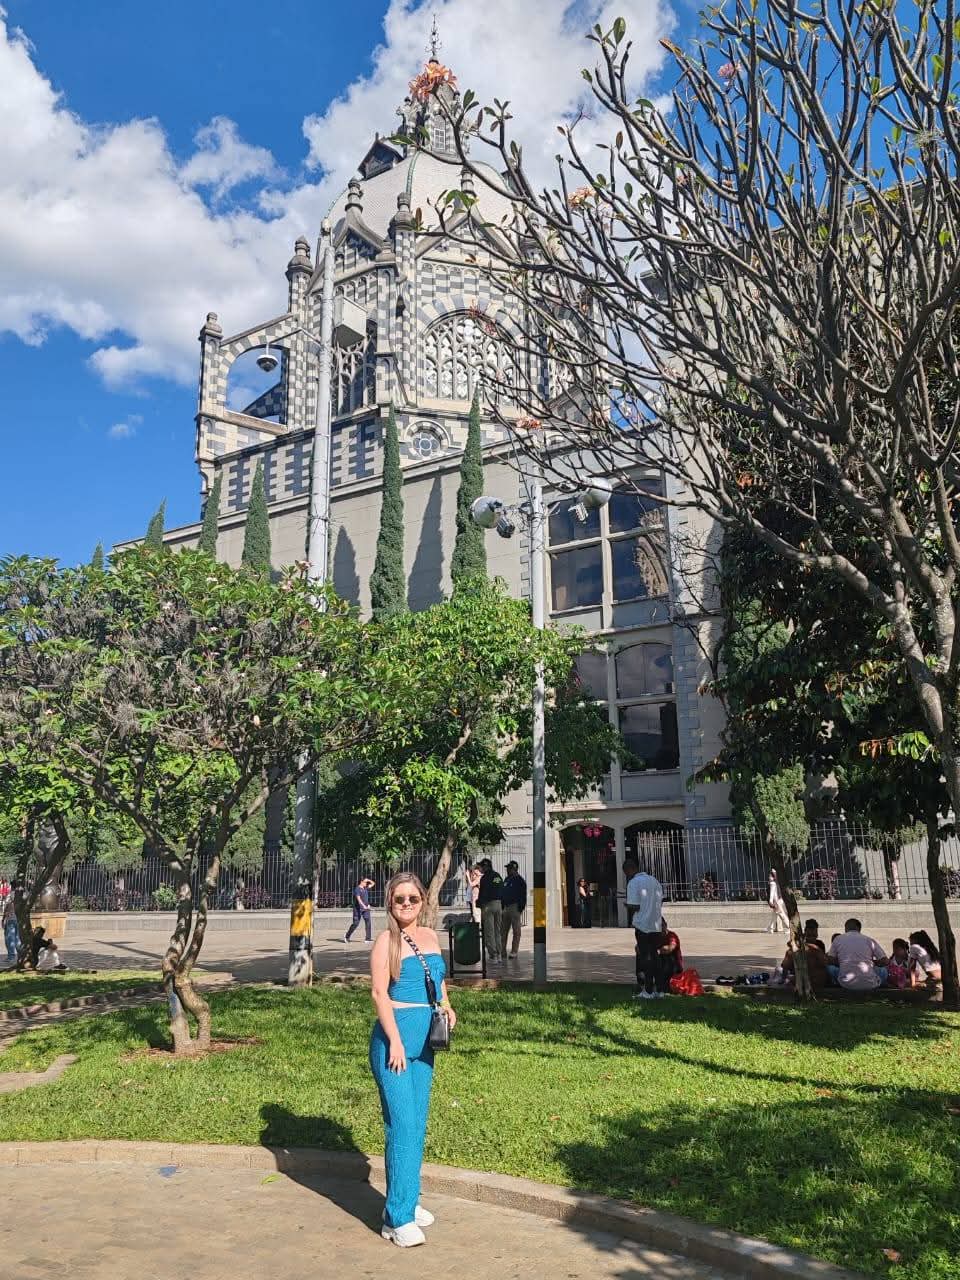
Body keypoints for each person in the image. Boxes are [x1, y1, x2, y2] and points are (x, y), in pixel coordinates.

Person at [369, 872, 456, 1248]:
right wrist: (394, 1041)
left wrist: (447, 1005)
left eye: (412, 898)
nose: (406, 904)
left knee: (416, 1125)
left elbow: (438, 980)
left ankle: (406, 1199)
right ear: (389, 903)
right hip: (396, 1044)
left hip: (425, 1042)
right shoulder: (385, 942)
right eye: (399, 899)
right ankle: (396, 1219)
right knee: (402, 1125)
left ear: (423, 901)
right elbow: (378, 994)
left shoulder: (431, 937)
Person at [625, 860, 664, 999]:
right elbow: (660, 901)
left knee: (646, 958)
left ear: (629, 870)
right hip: (656, 925)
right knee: (655, 957)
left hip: (643, 925)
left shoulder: (633, 883)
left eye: (626, 873)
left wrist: (627, 905)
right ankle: (659, 990)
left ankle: (648, 991)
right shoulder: (654, 881)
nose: (627, 876)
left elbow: (635, 906)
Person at [826, 918, 888, 991]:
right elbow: (885, 961)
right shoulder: (869, 940)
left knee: (830, 968)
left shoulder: (838, 939)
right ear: (859, 929)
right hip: (870, 983)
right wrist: (872, 963)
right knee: (883, 970)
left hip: (845, 983)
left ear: (846, 928)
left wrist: (842, 962)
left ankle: (836, 984)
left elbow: (830, 960)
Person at [781, 923, 829, 990]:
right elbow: (825, 964)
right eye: (810, 936)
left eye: (814, 936)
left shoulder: (817, 947)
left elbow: (785, 967)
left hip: (806, 983)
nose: (812, 938)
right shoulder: (817, 948)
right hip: (817, 983)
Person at [476, 858, 504, 962]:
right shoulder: (497, 876)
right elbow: (502, 889)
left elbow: (482, 893)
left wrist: (479, 903)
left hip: (488, 905)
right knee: (497, 931)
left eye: (481, 867)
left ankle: (493, 954)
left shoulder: (484, 878)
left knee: (489, 931)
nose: (480, 869)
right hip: (498, 904)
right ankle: (499, 953)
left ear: (485, 867)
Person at [499, 860, 527, 958]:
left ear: (514, 869)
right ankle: (502, 951)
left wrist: (520, 908)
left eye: (509, 868)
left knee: (516, 931)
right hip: (506, 907)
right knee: (503, 931)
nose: (507, 870)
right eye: (507, 868)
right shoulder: (507, 879)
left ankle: (514, 951)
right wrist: (502, 905)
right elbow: (503, 892)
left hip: (515, 907)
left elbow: (523, 896)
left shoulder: (520, 880)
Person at [345, 876, 374, 943]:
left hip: (366, 909)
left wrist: (368, 880)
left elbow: (373, 883)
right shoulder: (357, 889)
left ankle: (368, 939)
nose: (366, 883)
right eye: (365, 882)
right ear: (361, 882)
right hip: (358, 909)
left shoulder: (365, 888)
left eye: (366, 882)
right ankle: (347, 936)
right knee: (355, 923)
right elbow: (359, 899)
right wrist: (363, 906)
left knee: (368, 922)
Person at [658, 917, 683, 989]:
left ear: (665, 925)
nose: (660, 928)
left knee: (667, 955)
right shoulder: (655, 937)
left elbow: (670, 948)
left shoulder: (672, 936)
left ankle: (666, 983)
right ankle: (642, 981)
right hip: (660, 964)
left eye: (661, 925)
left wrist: (659, 951)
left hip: (675, 967)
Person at [766, 868, 790, 934]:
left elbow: (772, 893)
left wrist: (771, 901)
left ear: (773, 877)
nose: (769, 877)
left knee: (782, 914)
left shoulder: (772, 883)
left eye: (770, 876)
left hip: (776, 902)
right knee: (774, 915)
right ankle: (770, 928)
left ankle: (790, 927)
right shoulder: (777, 883)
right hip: (779, 900)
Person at [2, 886, 20, 965]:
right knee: (17, 939)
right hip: (18, 920)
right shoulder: (22, 895)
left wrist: (3, 919)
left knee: (9, 939)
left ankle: (11, 957)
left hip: (10, 920)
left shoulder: (10, 895)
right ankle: (20, 955)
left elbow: (6, 908)